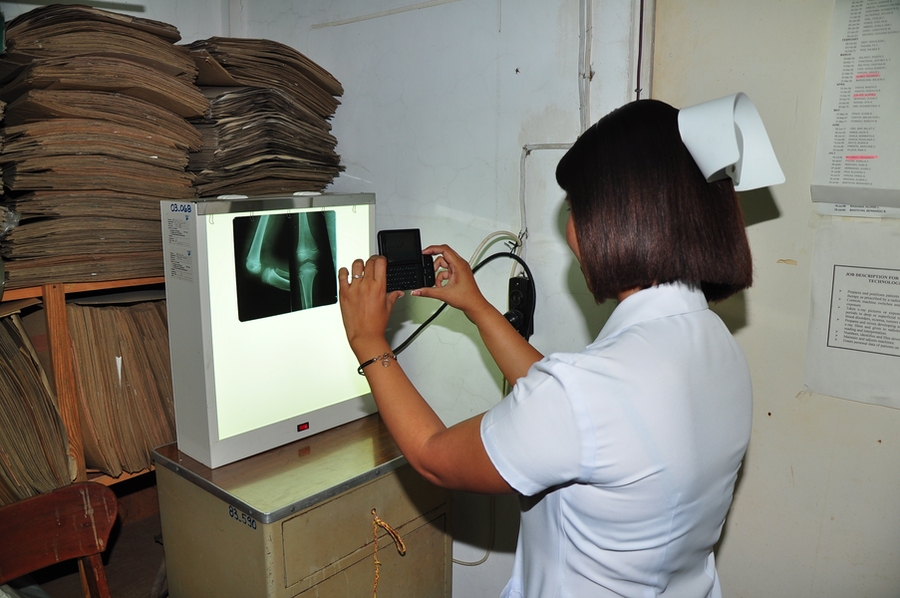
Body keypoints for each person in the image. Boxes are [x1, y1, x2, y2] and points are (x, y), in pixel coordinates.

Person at [338, 98, 754, 598]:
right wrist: (478, 307)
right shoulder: (716, 347)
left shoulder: (587, 395)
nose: (572, 231)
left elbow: (434, 457)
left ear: (620, 219)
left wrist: (368, 341)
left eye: (575, 210)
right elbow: (571, 410)